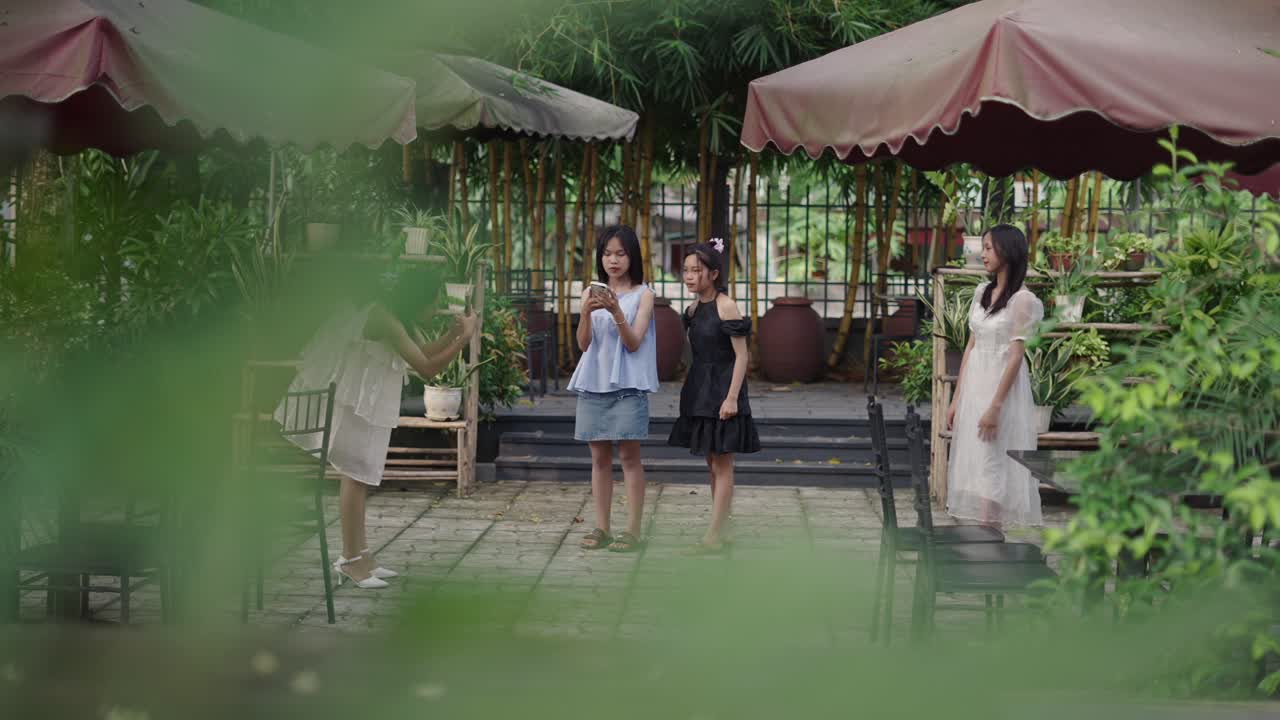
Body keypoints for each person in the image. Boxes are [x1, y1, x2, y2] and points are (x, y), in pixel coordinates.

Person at [277, 277, 479, 588]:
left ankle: (362, 556)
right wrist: (463, 339)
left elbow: (421, 351)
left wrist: (454, 333)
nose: (436, 309)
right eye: (434, 302)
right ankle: (350, 560)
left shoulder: (393, 319)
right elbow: (427, 368)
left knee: (361, 475)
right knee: (355, 475)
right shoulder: (383, 319)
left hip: (365, 402)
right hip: (351, 404)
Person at [945, 223, 1044, 528]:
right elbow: (971, 348)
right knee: (975, 464)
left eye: (989, 248)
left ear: (1007, 251)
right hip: (975, 386)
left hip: (999, 392)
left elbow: (1015, 356)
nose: (982, 253)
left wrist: (995, 406)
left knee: (993, 466)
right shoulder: (981, 292)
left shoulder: (1022, 301)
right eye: (983, 247)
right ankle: (978, 539)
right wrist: (956, 399)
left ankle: (991, 538)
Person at [566, 225, 658, 553]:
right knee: (598, 458)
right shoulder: (589, 293)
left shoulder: (643, 295)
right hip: (594, 382)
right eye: (607, 253)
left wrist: (617, 311)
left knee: (630, 457)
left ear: (632, 256)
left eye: (620, 253)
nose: (613, 260)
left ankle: (632, 530)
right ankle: (601, 528)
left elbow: (634, 344)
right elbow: (583, 344)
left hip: (628, 385)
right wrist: (586, 316)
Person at [668, 238, 759, 553]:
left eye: (697, 270)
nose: (690, 276)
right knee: (711, 463)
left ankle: (712, 537)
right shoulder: (693, 309)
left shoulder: (726, 305)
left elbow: (742, 357)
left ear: (714, 274)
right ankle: (725, 529)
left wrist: (732, 398)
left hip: (723, 390)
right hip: (700, 390)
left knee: (723, 465)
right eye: (686, 270)